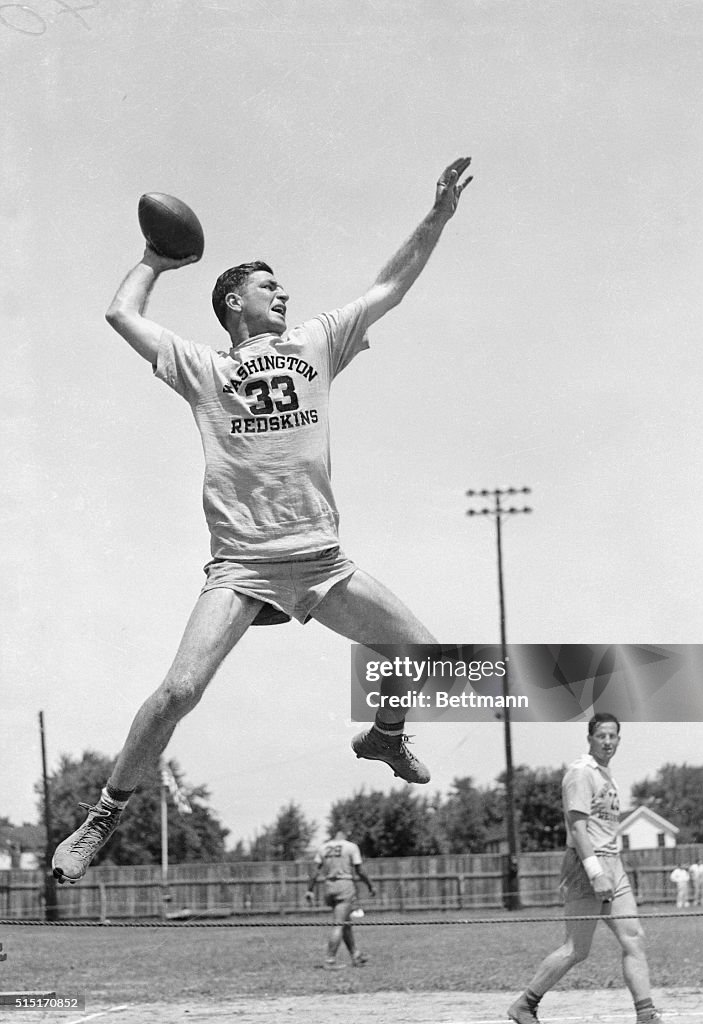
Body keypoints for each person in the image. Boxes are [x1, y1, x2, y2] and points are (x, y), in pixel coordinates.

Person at [51, 157, 473, 885]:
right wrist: (154, 258)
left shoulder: (317, 344)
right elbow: (121, 314)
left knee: (434, 660)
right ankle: (103, 815)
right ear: (233, 304)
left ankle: (384, 733)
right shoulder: (204, 368)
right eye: (267, 286)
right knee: (179, 692)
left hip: (320, 561)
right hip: (243, 565)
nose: (283, 294)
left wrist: (434, 216)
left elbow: (390, 286)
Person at [508, 713, 662, 1024]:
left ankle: (646, 1014)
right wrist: (595, 872)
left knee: (634, 937)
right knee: (576, 949)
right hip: (586, 865)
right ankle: (524, 1004)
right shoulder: (580, 774)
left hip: (613, 863)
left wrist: (609, 869)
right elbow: (578, 829)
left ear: (619, 739)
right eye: (601, 736)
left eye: (613, 736)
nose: (608, 742)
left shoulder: (607, 776)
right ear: (590, 738)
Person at [305, 828, 376, 969]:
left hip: (329, 886)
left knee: (345, 922)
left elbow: (315, 871)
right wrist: (370, 885)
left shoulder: (323, 847)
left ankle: (356, 956)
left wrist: (310, 889)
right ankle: (330, 960)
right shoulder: (351, 847)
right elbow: (360, 870)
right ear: (345, 835)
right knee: (339, 924)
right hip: (345, 886)